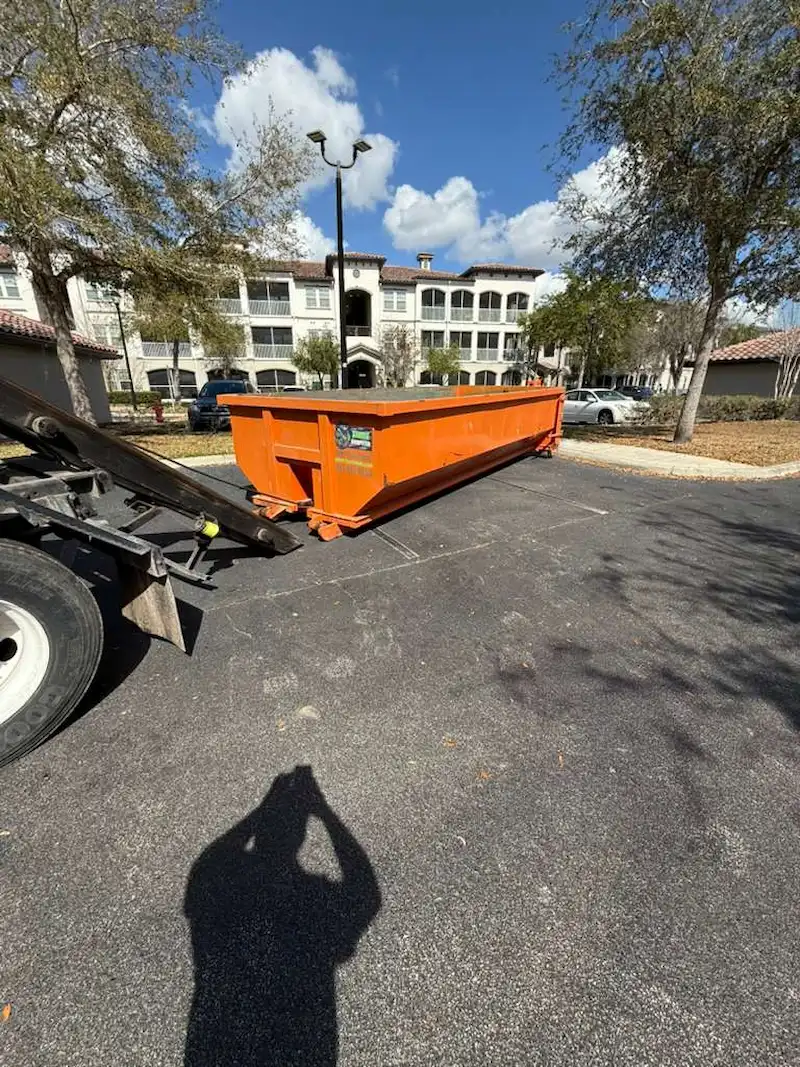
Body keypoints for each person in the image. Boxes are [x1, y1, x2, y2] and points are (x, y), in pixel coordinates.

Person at [184, 766, 381, 1067]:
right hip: (302, 1042)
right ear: (302, 835)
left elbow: (208, 865)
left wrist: (262, 811)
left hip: (217, 1041)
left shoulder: (227, 885)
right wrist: (325, 813)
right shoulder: (313, 897)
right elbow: (365, 893)